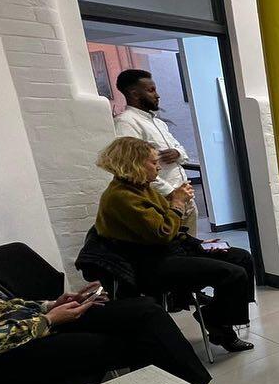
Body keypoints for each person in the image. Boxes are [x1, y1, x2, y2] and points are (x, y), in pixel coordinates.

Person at [0, 177, 249, 384]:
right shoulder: (122, 197)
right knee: (132, 338)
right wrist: (46, 321)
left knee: (143, 311)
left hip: (26, 324)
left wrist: (50, 304)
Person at [93, 137, 255, 353]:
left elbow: (172, 231)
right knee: (233, 274)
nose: (158, 166)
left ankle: (222, 313)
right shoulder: (121, 197)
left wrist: (199, 244)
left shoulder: (142, 188)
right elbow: (163, 233)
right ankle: (217, 323)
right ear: (134, 164)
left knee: (241, 257)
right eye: (152, 162)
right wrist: (177, 202)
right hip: (149, 264)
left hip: (169, 251)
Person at [113, 69, 195, 232]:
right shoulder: (126, 122)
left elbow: (183, 153)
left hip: (184, 197)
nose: (157, 95)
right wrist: (171, 193)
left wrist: (177, 153)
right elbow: (133, 168)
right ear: (134, 94)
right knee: (175, 253)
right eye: (151, 90)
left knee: (193, 247)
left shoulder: (158, 123)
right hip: (163, 201)